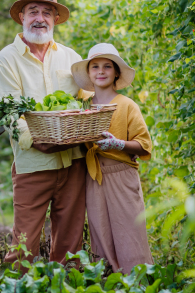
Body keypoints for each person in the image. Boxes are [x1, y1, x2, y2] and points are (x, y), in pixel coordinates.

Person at [0, 0, 88, 266]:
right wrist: (37, 140)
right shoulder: (7, 58)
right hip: (33, 163)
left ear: (55, 19)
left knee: (70, 244)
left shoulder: (70, 57)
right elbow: (8, 112)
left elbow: (85, 102)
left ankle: (66, 285)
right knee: (23, 244)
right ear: (21, 16)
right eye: (33, 11)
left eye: (47, 12)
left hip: (72, 162)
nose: (40, 18)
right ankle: (19, 286)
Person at [70, 43, 153, 273]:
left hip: (121, 175)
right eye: (95, 66)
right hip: (94, 176)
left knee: (129, 231)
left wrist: (118, 144)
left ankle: (137, 280)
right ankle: (107, 281)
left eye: (107, 66)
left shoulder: (127, 105)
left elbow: (145, 145)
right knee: (101, 232)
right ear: (88, 73)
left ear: (116, 72)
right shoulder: (83, 107)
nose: (101, 71)